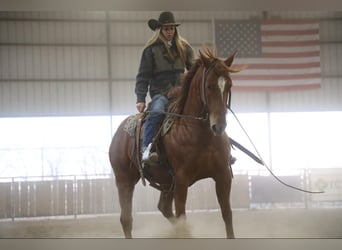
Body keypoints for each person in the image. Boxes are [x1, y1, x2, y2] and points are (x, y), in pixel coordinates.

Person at [135, 11, 194, 162]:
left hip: (181, 93)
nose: (169, 32)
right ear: (161, 30)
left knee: (205, 109)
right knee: (157, 112)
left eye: (172, 29)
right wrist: (140, 98)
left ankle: (221, 150)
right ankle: (146, 148)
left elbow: (193, 70)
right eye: (166, 29)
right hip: (160, 93)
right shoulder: (151, 50)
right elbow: (143, 76)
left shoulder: (184, 48)